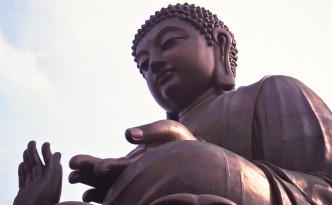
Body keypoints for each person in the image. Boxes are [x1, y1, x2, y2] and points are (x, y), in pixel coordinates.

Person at [14, 3, 332, 205]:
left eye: (169, 43)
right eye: (143, 63)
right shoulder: (141, 154)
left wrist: (197, 158)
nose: (153, 64)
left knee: (184, 161)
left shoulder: (272, 92)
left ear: (219, 45)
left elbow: (324, 191)